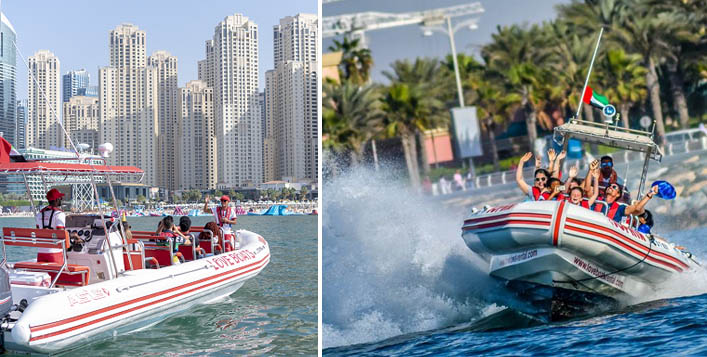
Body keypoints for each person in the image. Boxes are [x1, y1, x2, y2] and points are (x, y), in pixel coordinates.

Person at [35, 189, 78, 263]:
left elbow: (39, 233)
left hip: (41, 253)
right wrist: (73, 235)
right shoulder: (59, 214)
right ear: (56, 200)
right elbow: (60, 235)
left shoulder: (39, 214)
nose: (61, 199)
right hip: (54, 253)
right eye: (60, 198)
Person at [594, 183, 658, 223]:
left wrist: (650, 194)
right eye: (609, 186)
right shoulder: (596, 200)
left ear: (618, 194)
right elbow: (587, 189)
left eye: (614, 187)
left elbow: (638, 209)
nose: (610, 187)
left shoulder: (620, 208)